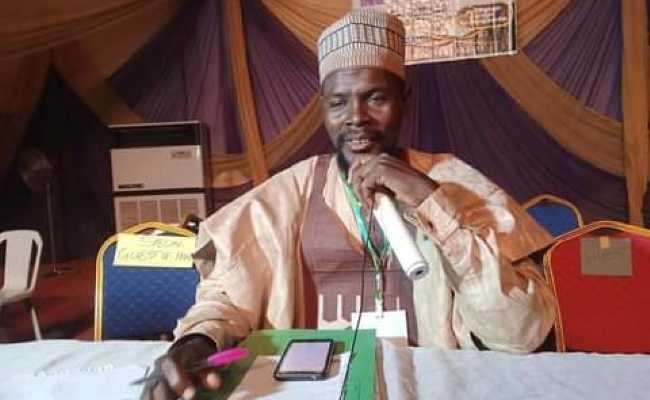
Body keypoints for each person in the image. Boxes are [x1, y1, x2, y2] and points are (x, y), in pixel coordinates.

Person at [141, 8, 555, 400]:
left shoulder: (454, 183)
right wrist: (199, 339)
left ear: (405, 99)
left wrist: (431, 201)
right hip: (312, 385)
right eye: (338, 102)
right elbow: (228, 296)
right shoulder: (291, 191)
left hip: (428, 381)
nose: (356, 117)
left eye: (375, 98)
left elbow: (519, 334)